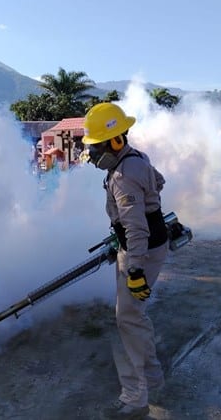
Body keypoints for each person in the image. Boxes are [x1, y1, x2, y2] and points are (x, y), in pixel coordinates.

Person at [82, 103, 169, 419]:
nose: (92, 154)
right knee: (135, 316)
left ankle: (135, 398)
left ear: (115, 141)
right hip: (149, 243)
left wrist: (134, 269)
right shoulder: (137, 159)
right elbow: (158, 181)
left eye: (96, 146)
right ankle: (154, 377)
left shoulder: (121, 175)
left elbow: (136, 227)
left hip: (140, 250)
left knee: (127, 320)